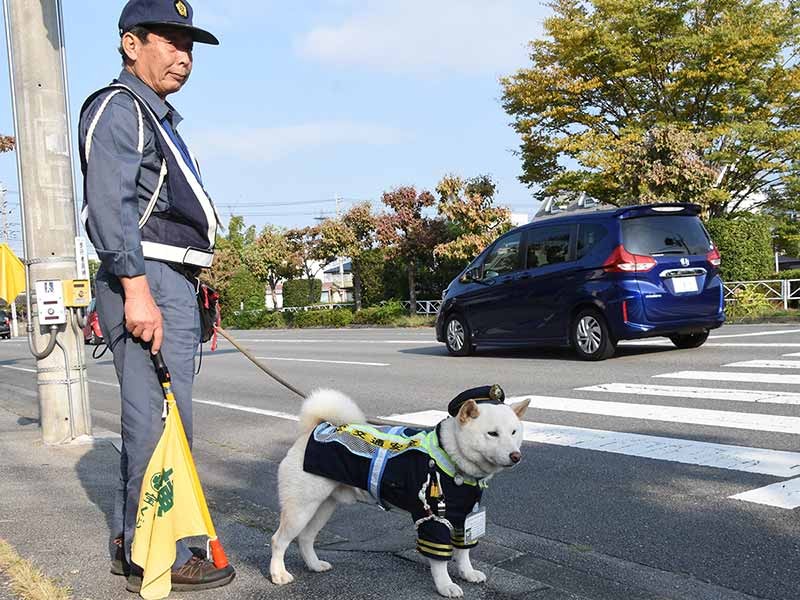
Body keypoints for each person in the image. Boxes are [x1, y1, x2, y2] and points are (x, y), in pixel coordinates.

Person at [78, 0, 233, 592]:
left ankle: (136, 542)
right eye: (168, 41)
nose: (183, 56)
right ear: (130, 44)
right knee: (157, 424)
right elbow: (110, 208)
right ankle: (156, 554)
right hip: (146, 282)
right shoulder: (120, 107)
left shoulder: (156, 116)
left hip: (169, 282)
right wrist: (138, 290)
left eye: (188, 45)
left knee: (164, 421)